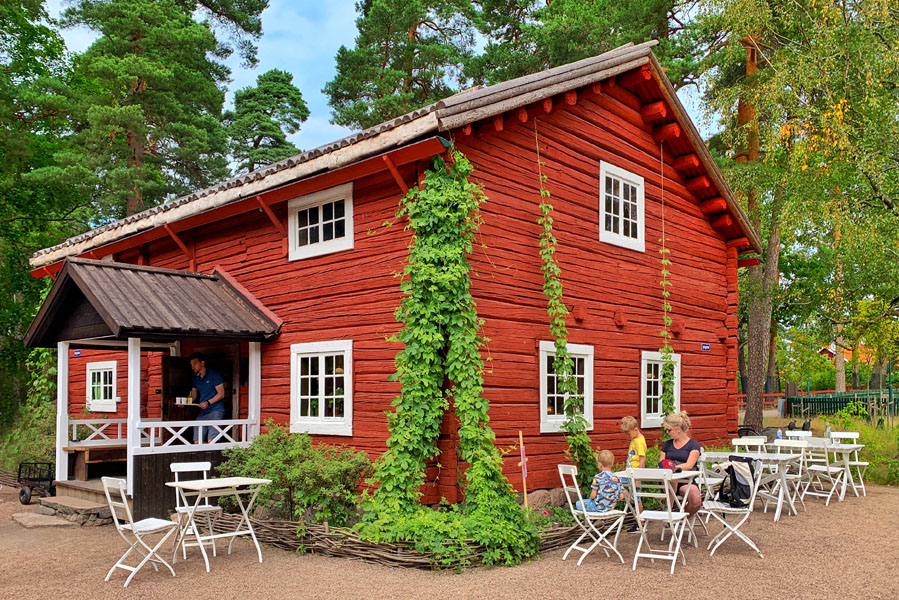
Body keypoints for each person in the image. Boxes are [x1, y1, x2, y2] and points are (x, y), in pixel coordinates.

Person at [659, 411, 702, 516]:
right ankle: (668, 511)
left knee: (696, 500)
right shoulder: (667, 444)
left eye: (669, 430)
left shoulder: (693, 445)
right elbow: (661, 462)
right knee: (671, 479)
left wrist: (674, 467)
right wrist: (669, 469)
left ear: (678, 430)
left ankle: (681, 519)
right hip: (668, 480)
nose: (667, 432)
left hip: (686, 480)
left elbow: (689, 465)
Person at [189, 352, 225, 443]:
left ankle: (215, 455)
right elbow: (194, 395)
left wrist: (208, 402)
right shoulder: (195, 378)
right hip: (203, 411)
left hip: (216, 410)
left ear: (202, 363)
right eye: (191, 364)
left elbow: (221, 394)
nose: (193, 367)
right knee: (197, 441)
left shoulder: (214, 374)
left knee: (212, 441)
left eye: (195, 363)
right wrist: (185, 402)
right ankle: (203, 455)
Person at [620, 416, 646, 515]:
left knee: (637, 497)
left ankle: (641, 521)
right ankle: (630, 498)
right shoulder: (635, 439)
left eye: (628, 433)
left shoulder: (639, 442)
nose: (628, 436)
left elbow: (642, 460)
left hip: (635, 473)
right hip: (630, 472)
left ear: (635, 429)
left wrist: (638, 477)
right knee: (616, 481)